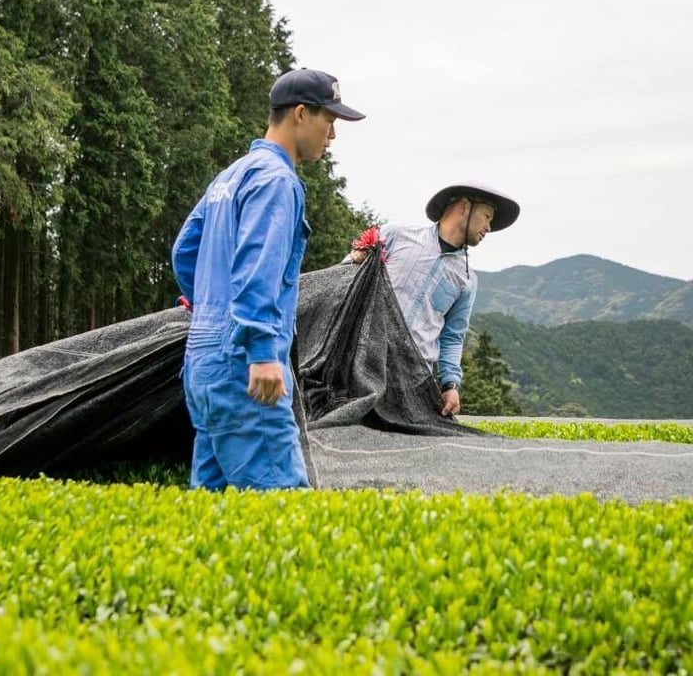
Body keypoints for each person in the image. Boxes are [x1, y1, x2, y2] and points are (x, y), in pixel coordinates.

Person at [172, 68, 366, 490]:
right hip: (244, 365)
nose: (332, 136)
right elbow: (257, 264)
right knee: (281, 512)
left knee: (212, 509)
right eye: (329, 121)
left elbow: (184, 251)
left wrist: (210, 310)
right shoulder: (278, 180)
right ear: (300, 114)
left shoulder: (230, 176)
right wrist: (259, 349)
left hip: (202, 362)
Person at [349, 181, 519, 417]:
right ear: (464, 207)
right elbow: (346, 280)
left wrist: (450, 384)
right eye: (487, 216)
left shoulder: (466, 280)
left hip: (413, 379)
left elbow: (452, 335)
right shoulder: (396, 236)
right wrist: (356, 258)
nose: (489, 227)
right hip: (363, 363)